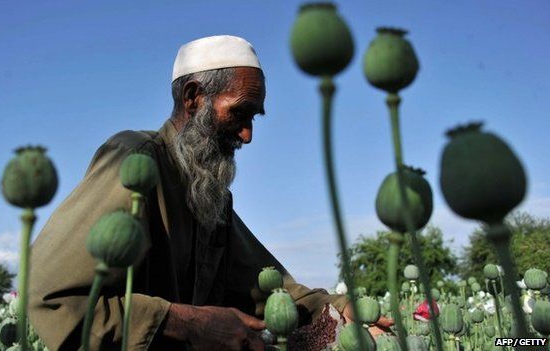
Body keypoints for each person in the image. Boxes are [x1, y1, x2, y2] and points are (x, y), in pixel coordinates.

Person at [28, 35, 392, 351]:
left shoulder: (208, 192)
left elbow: (265, 286)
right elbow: (51, 296)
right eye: (240, 113)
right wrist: (187, 323)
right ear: (193, 97)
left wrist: (339, 308)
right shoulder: (137, 160)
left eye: (254, 118)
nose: (248, 134)